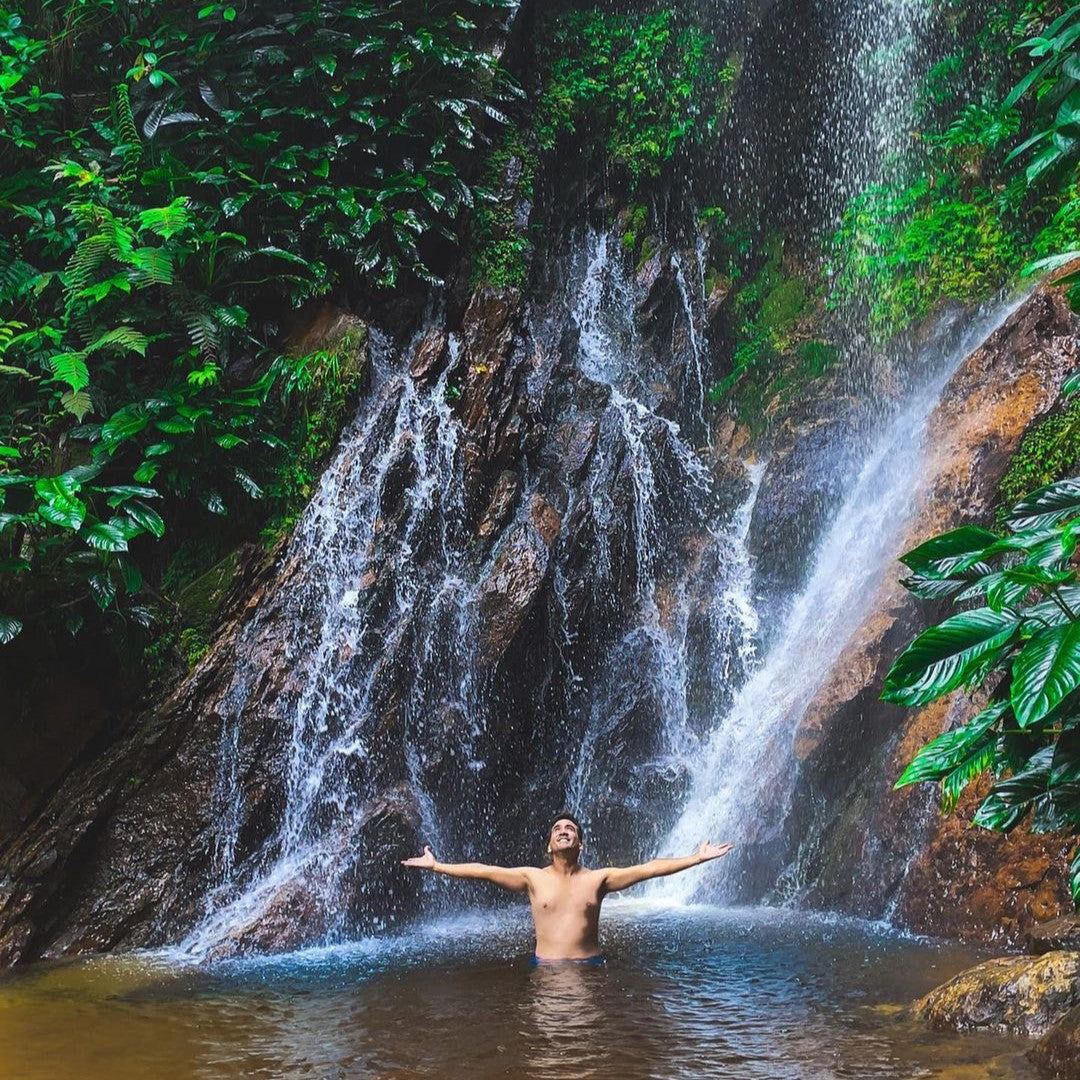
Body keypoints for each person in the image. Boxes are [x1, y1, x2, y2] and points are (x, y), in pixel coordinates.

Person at [401, 813, 734, 962]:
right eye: (558, 828)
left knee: (585, 1052)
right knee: (548, 1053)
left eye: (570, 829)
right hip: (545, 970)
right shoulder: (532, 878)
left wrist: (696, 858)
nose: (564, 831)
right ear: (548, 845)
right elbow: (485, 871)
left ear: (581, 844)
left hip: (590, 969)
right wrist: (437, 866)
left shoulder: (599, 880)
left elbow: (648, 869)